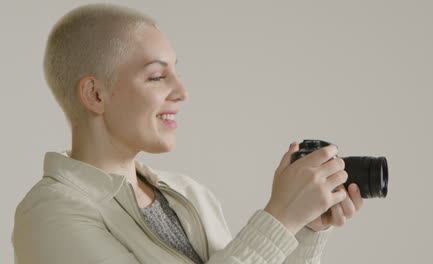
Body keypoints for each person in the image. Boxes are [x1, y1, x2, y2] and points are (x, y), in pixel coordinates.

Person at [11, 3, 363, 264]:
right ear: (95, 94)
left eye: (176, 73)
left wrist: (302, 229)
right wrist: (279, 219)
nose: (182, 92)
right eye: (156, 76)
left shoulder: (190, 194)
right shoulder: (50, 214)